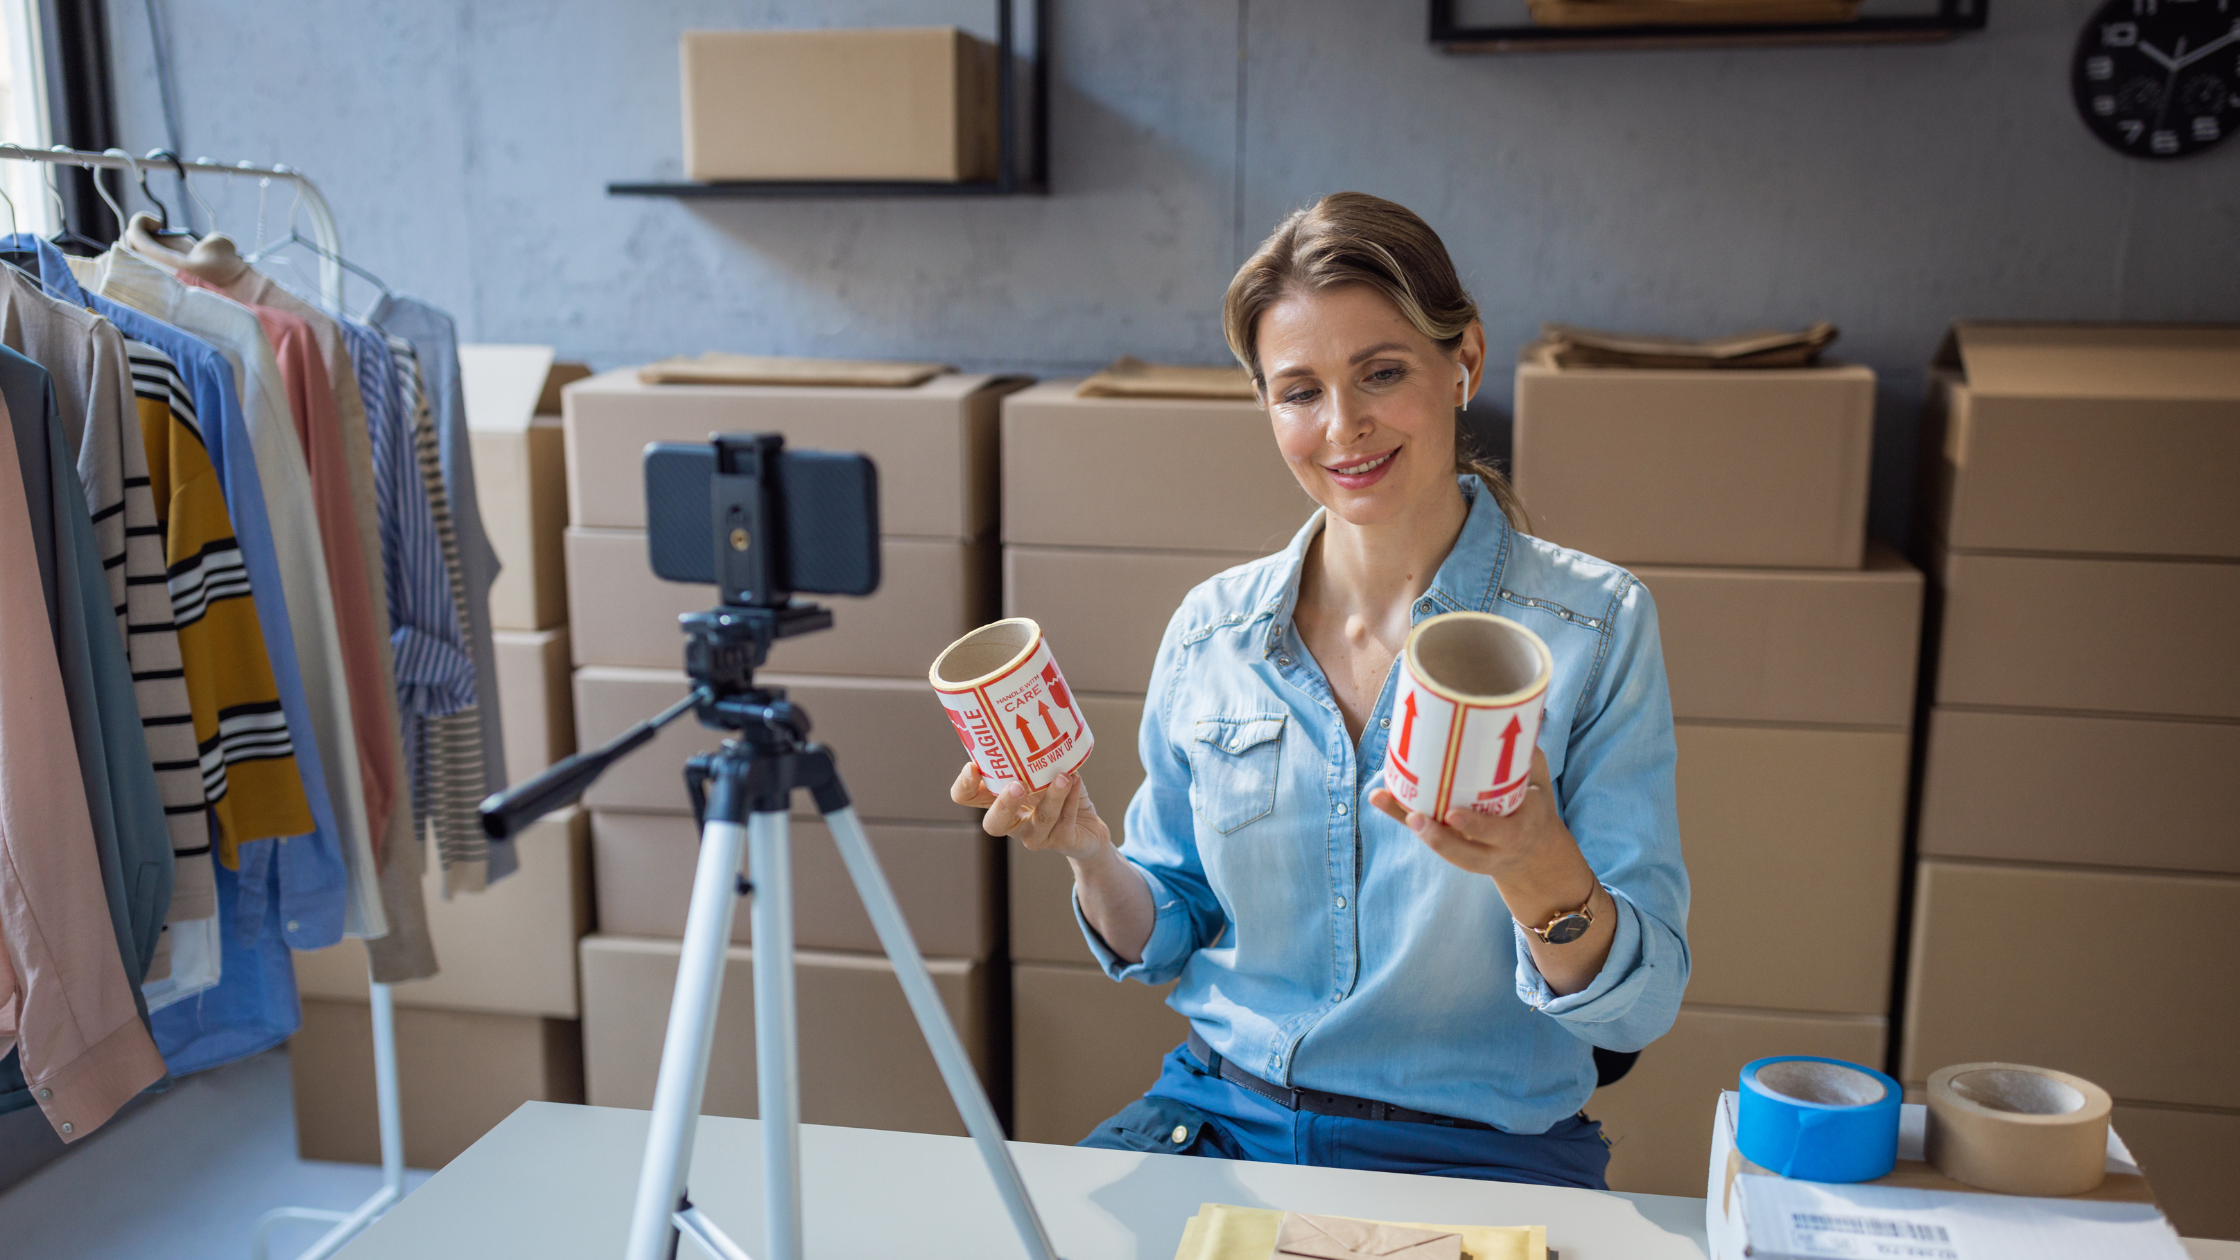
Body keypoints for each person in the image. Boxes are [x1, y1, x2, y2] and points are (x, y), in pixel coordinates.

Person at [952, 192, 1688, 1189]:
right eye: (1298, 391)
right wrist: (1085, 847)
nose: (1341, 427)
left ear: (1462, 360)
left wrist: (1533, 864)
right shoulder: (1214, 629)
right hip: (1216, 1117)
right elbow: (1166, 934)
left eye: (1380, 373)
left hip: (1470, 1156)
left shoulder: (1592, 628)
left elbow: (1635, 1012)